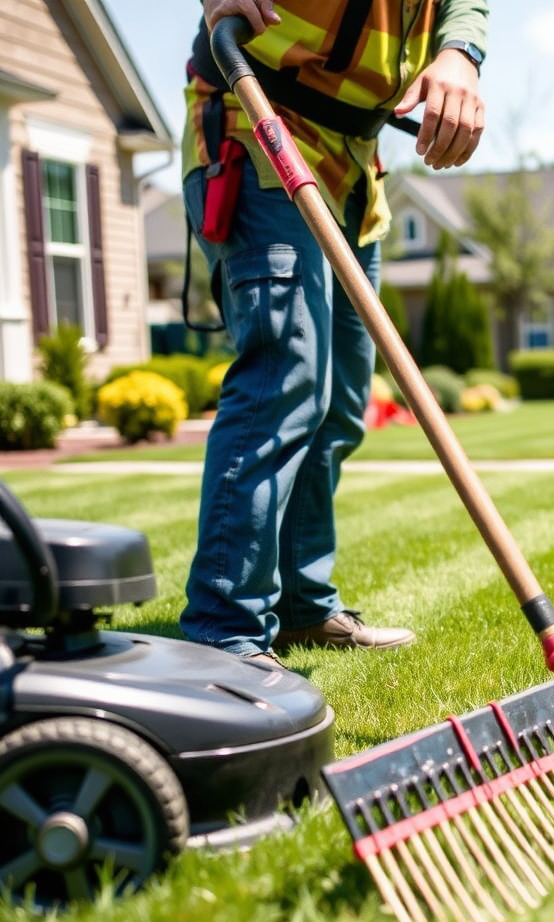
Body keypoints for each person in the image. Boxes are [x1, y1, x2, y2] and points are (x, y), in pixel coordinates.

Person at [179, 0, 488, 667]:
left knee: (342, 400)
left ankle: (303, 607)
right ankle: (224, 631)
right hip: (256, 117)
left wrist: (460, 52)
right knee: (285, 377)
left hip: (354, 160)